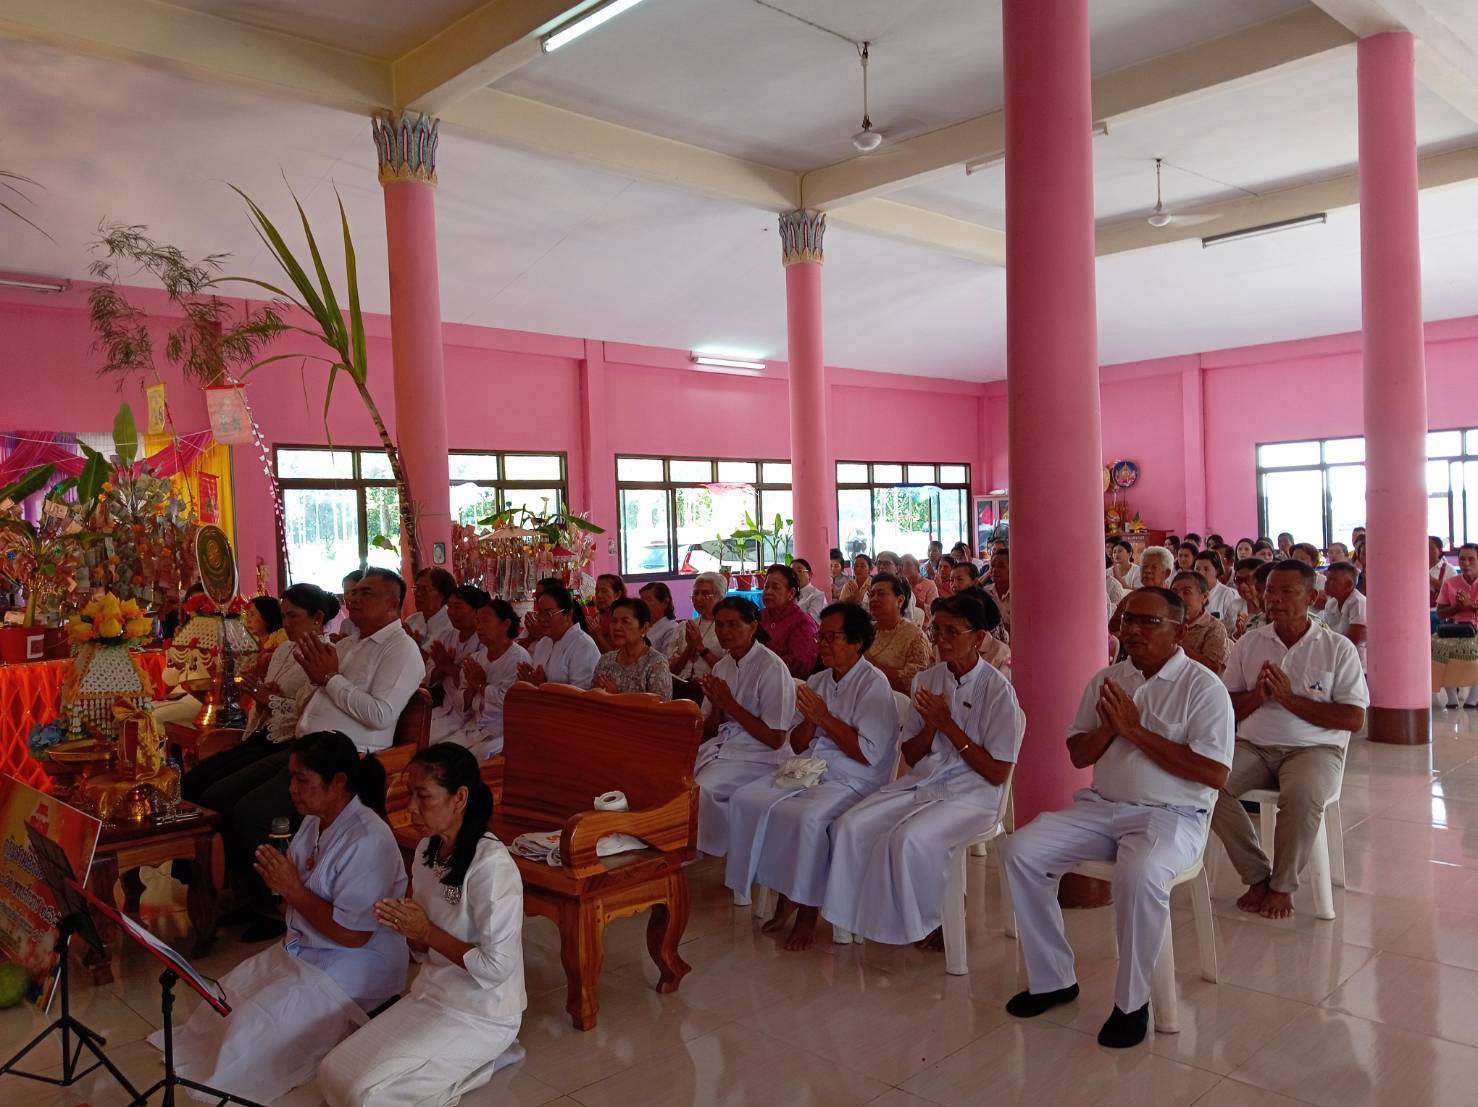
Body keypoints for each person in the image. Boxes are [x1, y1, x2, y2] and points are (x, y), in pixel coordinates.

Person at [1001, 587, 1234, 1049]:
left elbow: (1215, 773)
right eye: (1127, 619)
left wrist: (1135, 731)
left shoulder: (1203, 688)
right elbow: (1077, 751)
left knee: (1140, 872)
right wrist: (1110, 727)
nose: (1132, 629)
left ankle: (1132, 1003)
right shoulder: (1108, 680)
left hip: (1172, 816)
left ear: (1179, 631)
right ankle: (1053, 979)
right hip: (1102, 807)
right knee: (1019, 850)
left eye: (1148, 622)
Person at [162, 732, 406, 1103]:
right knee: (225, 999)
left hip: (354, 965)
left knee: (249, 1031)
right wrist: (280, 887)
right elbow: (293, 906)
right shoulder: (313, 821)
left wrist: (292, 889)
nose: (291, 789)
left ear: (338, 782)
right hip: (307, 949)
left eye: (301, 779)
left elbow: (354, 936)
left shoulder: (368, 840)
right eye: (291, 777)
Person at [222, 568, 426, 941]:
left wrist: (330, 679)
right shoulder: (349, 644)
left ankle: (275, 906)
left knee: (248, 812)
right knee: (219, 797)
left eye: (367, 593)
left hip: (348, 759)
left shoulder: (402, 650)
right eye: (355, 592)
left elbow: (380, 714)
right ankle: (247, 897)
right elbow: (315, 696)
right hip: (304, 746)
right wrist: (311, 683)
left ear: (392, 603)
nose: (355, 599)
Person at [318, 745, 525, 1107]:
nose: (411, 807)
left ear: (459, 798)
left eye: (423, 796)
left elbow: (498, 967)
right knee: (331, 1071)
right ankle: (463, 1064)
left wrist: (425, 931)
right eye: (410, 793)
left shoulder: (491, 867)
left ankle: (487, 1055)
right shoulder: (428, 850)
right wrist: (406, 928)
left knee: (367, 1096)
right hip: (432, 993)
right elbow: (423, 944)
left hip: (483, 1013)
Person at [822, 593, 1021, 951]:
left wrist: (948, 726)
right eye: (936, 630)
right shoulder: (927, 681)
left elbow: (996, 773)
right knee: (849, 825)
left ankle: (932, 920)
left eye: (952, 632)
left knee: (909, 838)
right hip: (924, 781)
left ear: (977, 638)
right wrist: (930, 727)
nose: (940, 640)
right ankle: (853, 917)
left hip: (973, 795)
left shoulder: (998, 691)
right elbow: (912, 754)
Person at [725, 603, 899, 951]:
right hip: (813, 768)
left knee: (806, 818)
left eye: (831, 637)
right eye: (822, 635)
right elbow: (799, 743)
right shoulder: (819, 680)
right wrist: (809, 719)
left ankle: (807, 907)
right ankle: (783, 891)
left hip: (856, 777)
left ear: (857, 642)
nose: (822, 643)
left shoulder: (872, 684)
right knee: (748, 800)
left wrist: (823, 717)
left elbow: (868, 753)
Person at [1212, 560, 1367, 921]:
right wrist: (1258, 697)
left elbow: (1353, 718)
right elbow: (1226, 707)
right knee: (1207, 783)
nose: (1275, 600)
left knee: (1302, 795)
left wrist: (1289, 698)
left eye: (1287, 592)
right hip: (1253, 745)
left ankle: (1282, 886)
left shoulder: (1336, 648)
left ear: (1312, 596)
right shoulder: (1250, 643)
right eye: (1270, 592)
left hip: (1314, 749)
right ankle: (1256, 875)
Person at [184, 583, 340, 803]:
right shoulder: (284, 649)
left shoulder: (326, 655)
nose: (286, 624)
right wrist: (262, 694)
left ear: (317, 618)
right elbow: (266, 696)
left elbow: (311, 711)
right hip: (261, 735)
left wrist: (270, 698)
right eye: (283, 616)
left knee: (216, 794)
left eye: (293, 616)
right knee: (193, 780)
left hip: (286, 742)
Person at [694, 597, 797, 856]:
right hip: (725, 748)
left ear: (752, 626)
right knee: (677, 780)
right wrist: (718, 705)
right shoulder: (722, 666)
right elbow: (709, 730)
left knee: (703, 789)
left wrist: (730, 703)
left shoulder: (772, 667)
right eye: (719, 625)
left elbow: (776, 738)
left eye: (732, 624)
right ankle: (693, 843)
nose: (724, 632)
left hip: (762, 756)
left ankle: (713, 850)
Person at [433, 600, 531, 760]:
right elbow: (461, 703)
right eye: (477, 621)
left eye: (485, 621)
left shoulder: (519, 658)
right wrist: (472, 688)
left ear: (505, 624)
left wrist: (481, 685)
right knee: (440, 754)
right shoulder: (476, 658)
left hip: (501, 731)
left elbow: (510, 703)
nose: (478, 627)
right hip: (474, 727)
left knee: (475, 759)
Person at [517, 580, 599, 689]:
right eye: (540, 612)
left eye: (548, 613)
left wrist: (542, 686)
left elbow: (581, 698)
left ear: (568, 615)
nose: (541, 619)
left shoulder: (583, 646)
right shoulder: (543, 643)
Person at [865, 573, 933, 694]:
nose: (874, 599)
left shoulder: (915, 637)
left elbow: (912, 684)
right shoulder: (864, 631)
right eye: (872, 595)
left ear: (900, 600)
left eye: (881, 594)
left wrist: (870, 664)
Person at [594, 597, 674, 698]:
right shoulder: (605, 660)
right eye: (614, 621)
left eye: (625, 621)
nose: (617, 627)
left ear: (644, 628)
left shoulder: (656, 664)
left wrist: (617, 697)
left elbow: (661, 710)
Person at [668, 570, 725, 701]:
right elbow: (672, 671)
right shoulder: (684, 626)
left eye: (705, 594)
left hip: (711, 691)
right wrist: (689, 648)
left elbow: (729, 671)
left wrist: (701, 648)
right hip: (681, 690)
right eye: (695, 593)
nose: (698, 599)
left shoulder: (726, 628)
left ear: (720, 597)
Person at [425, 585, 490, 698]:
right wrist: (441, 667)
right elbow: (428, 677)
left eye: (458, 607)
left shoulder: (486, 641)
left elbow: (479, 683)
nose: (452, 612)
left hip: (473, 712)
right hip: (444, 708)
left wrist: (449, 667)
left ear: (476, 611)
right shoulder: (446, 636)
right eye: (449, 606)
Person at [1435, 543, 1478, 709]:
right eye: (1462, 559)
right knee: (1437, 649)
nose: (1466, 563)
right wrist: (1457, 608)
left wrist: (1471, 605)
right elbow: (1440, 613)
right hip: (1456, 628)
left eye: (1471, 559)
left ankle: (1473, 698)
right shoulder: (1450, 583)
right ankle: (1451, 698)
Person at [759, 563, 819, 678]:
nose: (768, 592)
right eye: (766, 587)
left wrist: (762, 663)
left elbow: (801, 665)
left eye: (775, 587)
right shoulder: (759, 616)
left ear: (791, 593)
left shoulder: (802, 623)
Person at [1170, 571, 1230, 675]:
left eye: (1186, 592)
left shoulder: (1214, 628)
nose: (1179, 597)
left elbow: (1214, 669)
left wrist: (1176, 645)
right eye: (1174, 592)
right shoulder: (1165, 621)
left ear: (1204, 597)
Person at [1109, 546, 1173, 636]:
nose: (1147, 571)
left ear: (1166, 573)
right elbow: (1112, 630)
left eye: (1154, 567)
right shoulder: (1131, 598)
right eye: (1144, 566)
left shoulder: (1172, 601)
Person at [1321, 561, 1367, 669]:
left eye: (1333, 580)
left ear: (1349, 585)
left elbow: (1353, 639)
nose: (1327, 583)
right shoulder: (1331, 603)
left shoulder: (1359, 603)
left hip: (1357, 664)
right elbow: (1325, 631)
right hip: (1336, 659)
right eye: (1327, 579)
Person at [406, 567, 456, 650]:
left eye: (424, 589)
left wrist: (414, 646)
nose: (418, 594)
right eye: (417, 588)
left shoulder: (451, 625)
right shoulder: (411, 621)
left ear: (442, 594)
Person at [1194, 551, 1240, 629]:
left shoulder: (1228, 594)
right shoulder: (1191, 594)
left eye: (1206, 569)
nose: (1201, 573)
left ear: (1217, 571)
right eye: (1197, 569)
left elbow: (1233, 627)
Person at [638, 581, 682, 657]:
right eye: (641, 599)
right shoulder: (641, 626)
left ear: (665, 603)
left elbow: (666, 660)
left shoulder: (671, 628)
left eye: (648, 599)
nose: (643, 604)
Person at [1230, 557, 1266, 638]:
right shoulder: (1234, 606)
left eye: (1249, 579)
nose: (1243, 585)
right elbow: (1224, 639)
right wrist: (1238, 633)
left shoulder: (1272, 609)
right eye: (1238, 580)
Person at [589, 573, 626, 653]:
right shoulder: (595, 618)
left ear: (617, 594)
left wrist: (598, 637)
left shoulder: (624, 621)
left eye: (604, 591)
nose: (599, 595)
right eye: (597, 591)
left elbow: (618, 657)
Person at [900, 554, 939, 628]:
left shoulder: (930, 584)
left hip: (925, 626)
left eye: (908, 564)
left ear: (916, 565)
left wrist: (913, 597)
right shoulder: (900, 585)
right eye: (902, 565)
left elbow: (934, 610)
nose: (904, 568)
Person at [985, 548, 1011, 634]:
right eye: (992, 566)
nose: (995, 570)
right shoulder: (985, 593)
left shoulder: (1021, 595)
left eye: (1001, 566)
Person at [1430, 536, 1452, 606]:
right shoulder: (1416, 568)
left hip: (1438, 612)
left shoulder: (1449, 569)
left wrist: (1431, 580)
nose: (1427, 551)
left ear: (1440, 551)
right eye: (1424, 548)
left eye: (1431, 548)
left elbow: (1453, 592)